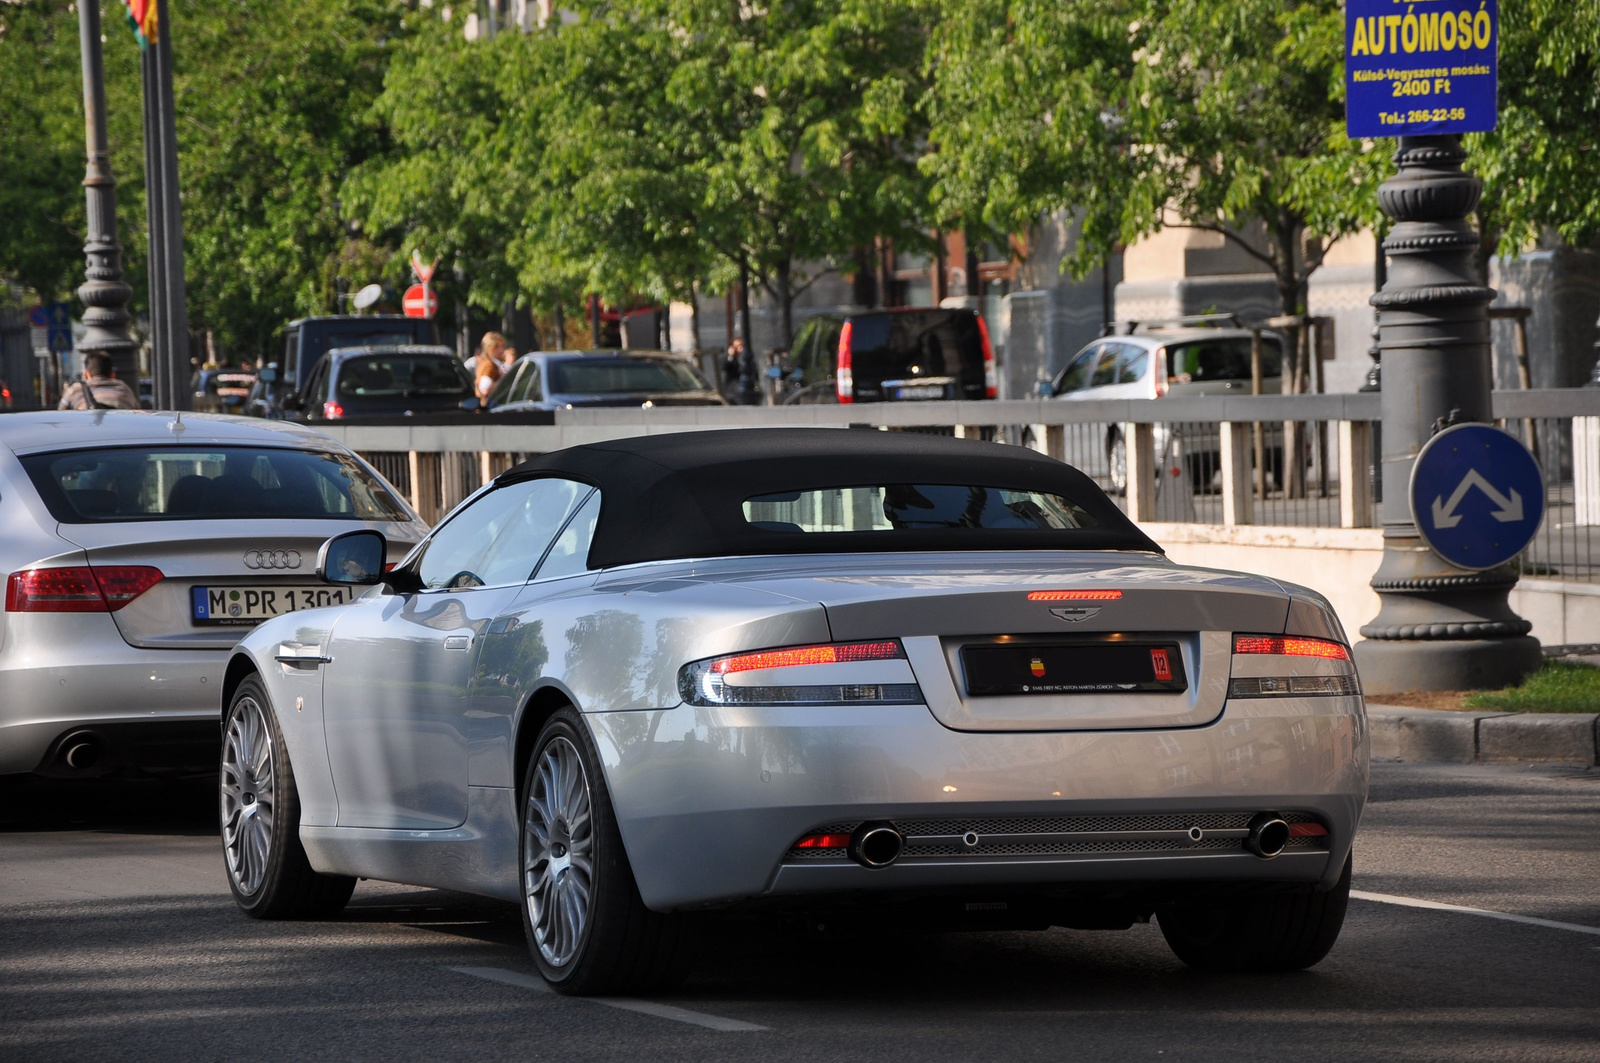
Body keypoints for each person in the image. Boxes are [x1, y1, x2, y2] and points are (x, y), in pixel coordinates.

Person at [58, 351, 140, 411]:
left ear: (86, 374)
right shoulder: (124, 389)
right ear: (112, 375)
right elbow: (137, 413)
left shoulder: (74, 390)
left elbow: (60, 415)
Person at [473, 331, 513, 400]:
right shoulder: (490, 365)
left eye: (502, 346)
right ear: (488, 348)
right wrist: (503, 379)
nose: (501, 350)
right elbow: (485, 390)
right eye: (496, 347)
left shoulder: (483, 363)